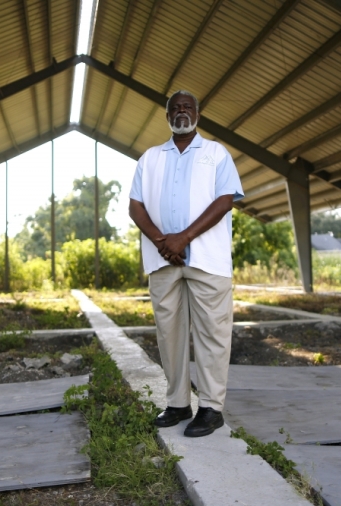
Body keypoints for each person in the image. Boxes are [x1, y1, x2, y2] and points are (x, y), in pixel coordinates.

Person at [128, 90, 244, 437]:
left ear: (198, 114)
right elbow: (136, 208)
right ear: (166, 116)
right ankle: (178, 403)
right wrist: (165, 242)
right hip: (163, 260)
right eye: (175, 108)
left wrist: (184, 238)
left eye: (187, 107)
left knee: (213, 333)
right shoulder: (149, 158)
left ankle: (210, 408)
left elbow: (225, 201)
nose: (181, 112)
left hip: (207, 260)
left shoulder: (216, 154)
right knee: (169, 334)